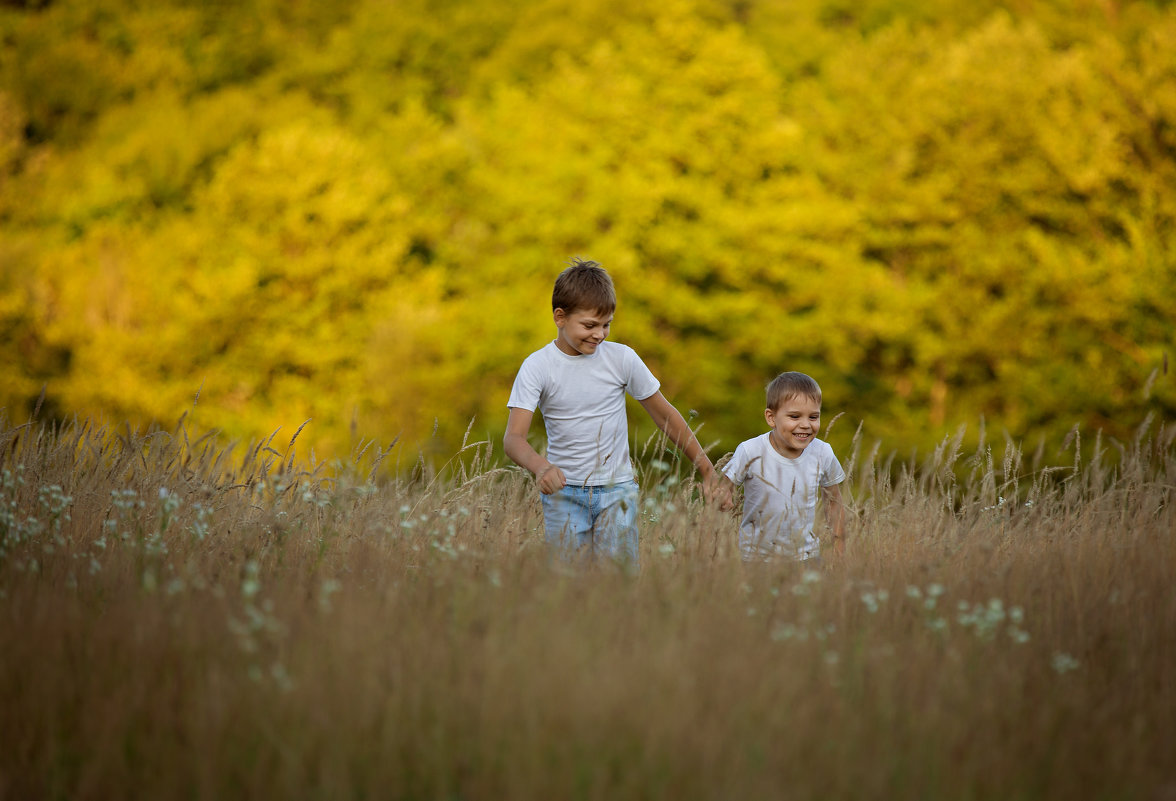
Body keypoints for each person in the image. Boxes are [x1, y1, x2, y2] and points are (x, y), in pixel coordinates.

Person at [504, 257, 718, 568]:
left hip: (616, 491)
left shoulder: (621, 359)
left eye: (607, 324)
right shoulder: (537, 367)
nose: (600, 334)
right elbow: (513, 438)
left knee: (617, 583)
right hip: (565, 494)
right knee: (568, 587)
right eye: (589, 325)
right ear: (560, 317)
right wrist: (541, 467)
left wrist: (707, 470)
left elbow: (666, 416)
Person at [718, 371, 847, 562]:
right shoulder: (750, 450)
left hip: (806, 558)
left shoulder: (822, 453)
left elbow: (834, 503)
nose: (805, 425)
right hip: (756, 559)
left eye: (813, 417)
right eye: (794, 416)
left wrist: (839, 551)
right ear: (771, 418)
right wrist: (723, 496)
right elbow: (722, 488)